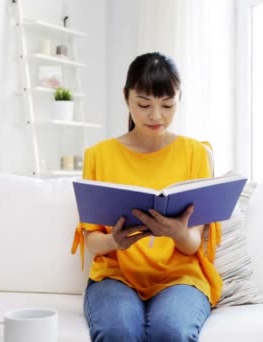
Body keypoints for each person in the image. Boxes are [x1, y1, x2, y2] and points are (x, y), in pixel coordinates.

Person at [71, 52, 222, 342]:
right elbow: (91, 241)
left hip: (180, 276)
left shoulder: (195, 154)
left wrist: (178, 233)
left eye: (167, 105)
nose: (156, 115)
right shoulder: (99, 156)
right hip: (115, 276)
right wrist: (114, 241)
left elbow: (192, 245)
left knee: (171, 331)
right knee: (119, 331)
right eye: (144, 104)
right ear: (126, 98)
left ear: (179, 99)